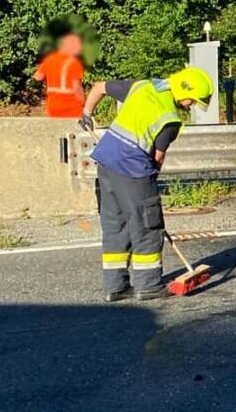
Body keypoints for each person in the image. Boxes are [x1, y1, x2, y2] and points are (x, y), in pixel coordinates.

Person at [80, 68, 213, 301]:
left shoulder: (142, 86)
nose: (192, 105)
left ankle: (115, 287)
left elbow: (99, 86)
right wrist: (149, 184)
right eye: (193, 100)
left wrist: (87, 113)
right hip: (132, 171)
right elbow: (157, 158)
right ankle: (149, 285)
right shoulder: (170, 120)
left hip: (105, 165)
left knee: (116, 226)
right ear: (184, 89)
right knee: (147, 226)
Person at [32, 32, 86, 118]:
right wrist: (85, 105)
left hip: (53, 105)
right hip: (71, 106)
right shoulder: (75, 63)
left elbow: (38, 77)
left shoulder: (49, 60)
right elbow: (77, 89)